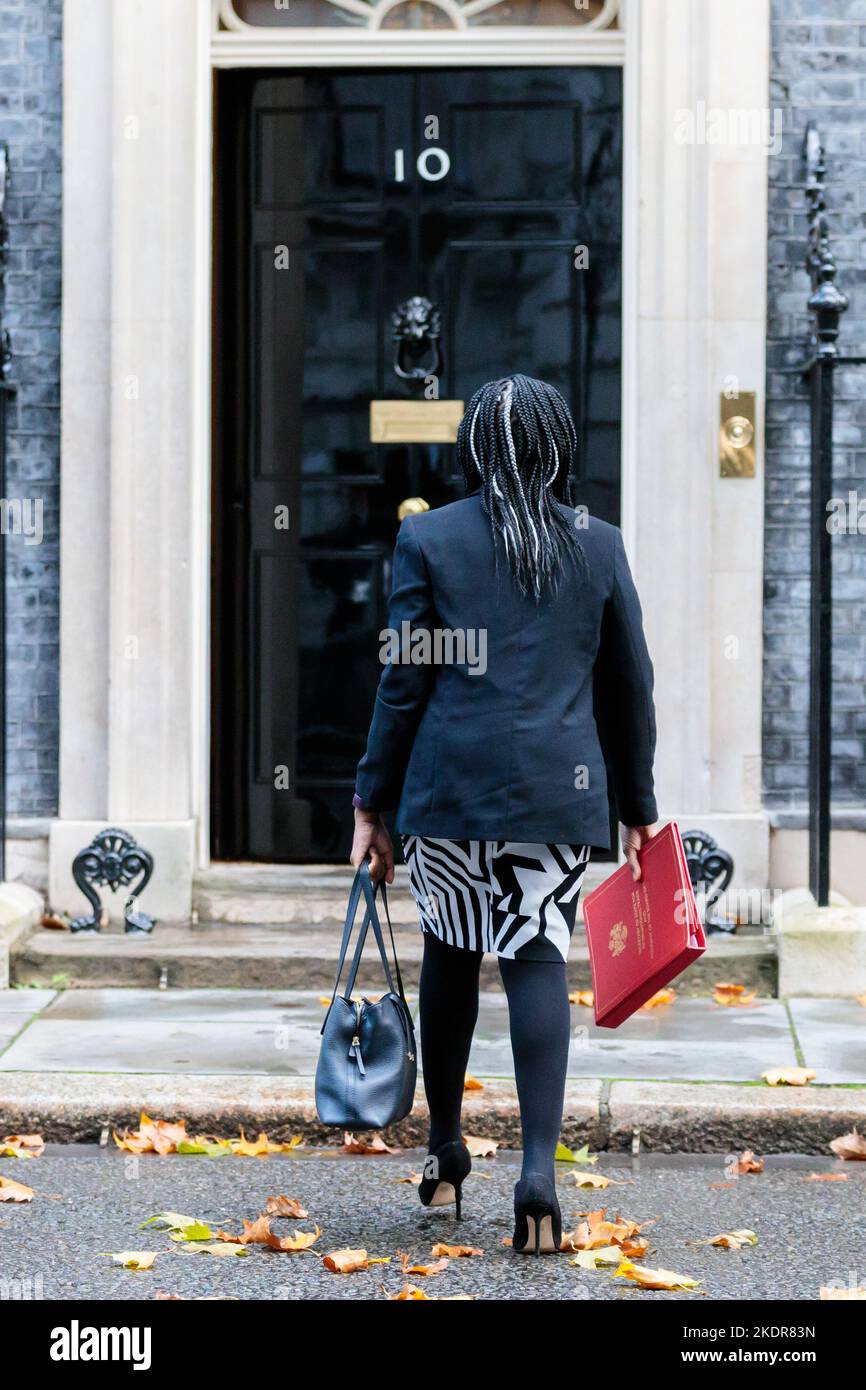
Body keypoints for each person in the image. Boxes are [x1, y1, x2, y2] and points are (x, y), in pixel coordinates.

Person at [350, 375, 658, 1255]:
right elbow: (628, 686)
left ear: (476, 450)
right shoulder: (597, 545)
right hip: (556, 798)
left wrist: (373, 802)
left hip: (450, 795)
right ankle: (538, 1176)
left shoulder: (429, 538)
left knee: (450, 952)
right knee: (534, 955)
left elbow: (403, 684)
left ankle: (447, 1150)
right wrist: (638, 805)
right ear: (559, 447)